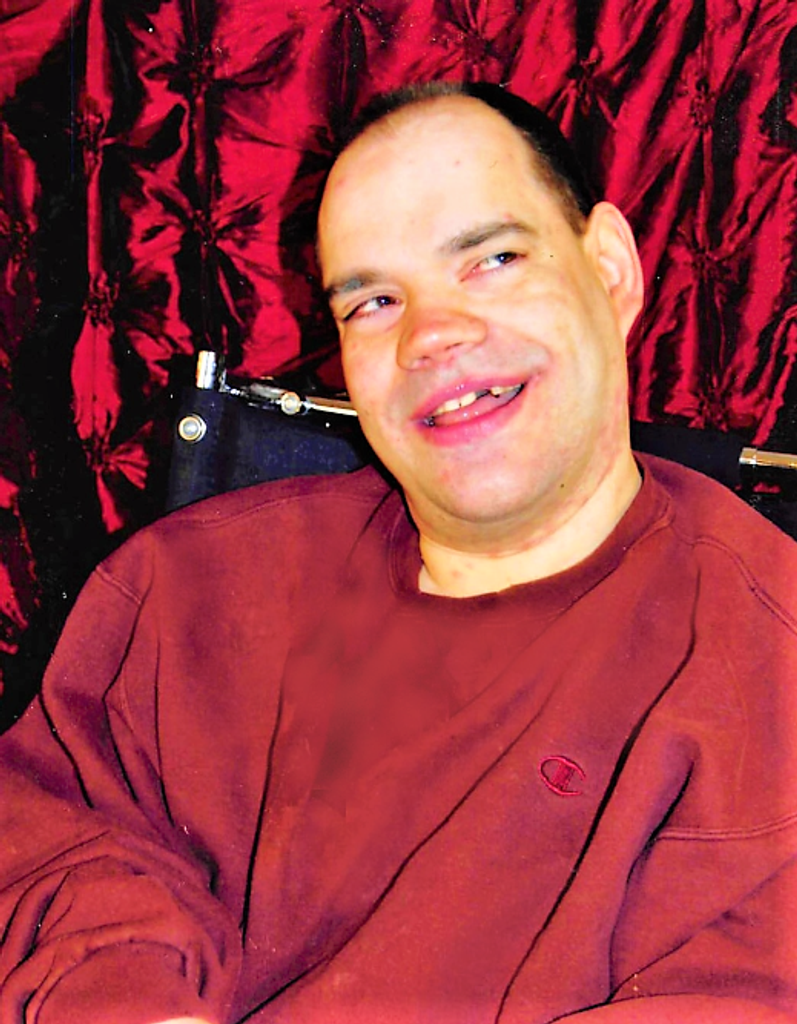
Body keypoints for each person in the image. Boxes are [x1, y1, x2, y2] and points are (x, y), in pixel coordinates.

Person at [0, 81, 796, 1024]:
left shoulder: (763, 667)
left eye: (492, 259)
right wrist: (125, 994)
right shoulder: (188, 590)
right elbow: (50, 835)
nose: (431, 335)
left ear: (610, 269)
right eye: (375, 301)